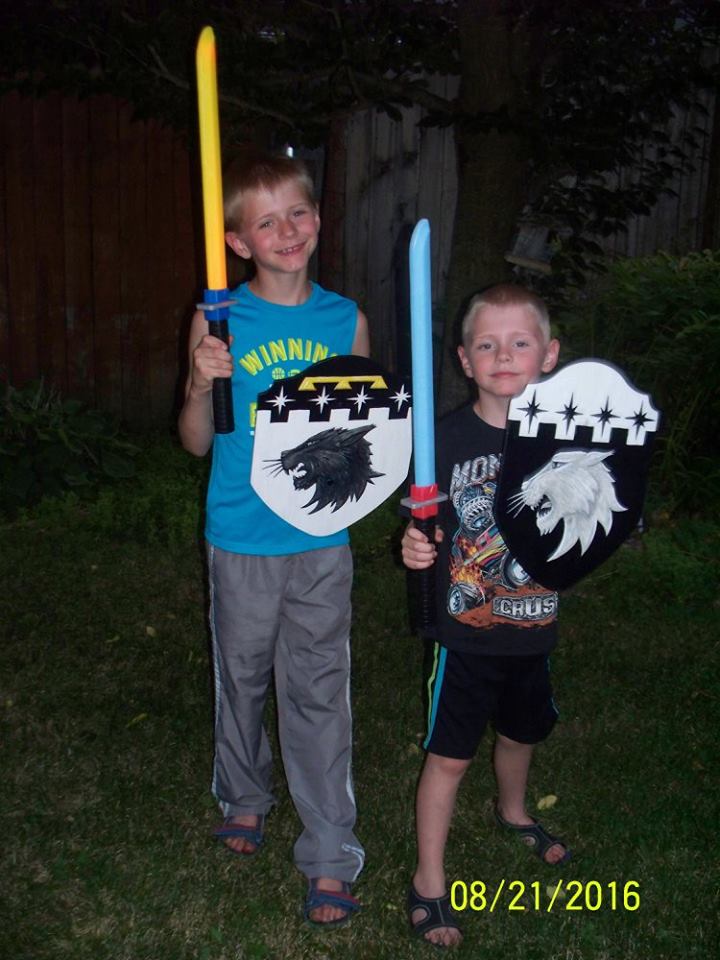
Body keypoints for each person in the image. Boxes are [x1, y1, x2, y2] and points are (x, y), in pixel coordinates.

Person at [178, 150, 369, 927]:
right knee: (243, 677)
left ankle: (330, 851)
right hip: (240, 539)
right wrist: (197, 382)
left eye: (298, 212)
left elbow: (364, 435)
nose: (287, 231)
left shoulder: (345, 318)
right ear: (239, 242)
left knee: (320, 690)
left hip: (322, 542)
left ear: (317, 220)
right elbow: (195, 442)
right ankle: (245, 792)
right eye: (266, 221)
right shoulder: (220, 317)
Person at [401, 284, 565, 947]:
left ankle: (515, 810)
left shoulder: (567, 439)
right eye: (487, 344)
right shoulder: (440, 439)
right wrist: (412, 547)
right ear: (465, 360)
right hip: (463, 635)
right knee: (448, 757)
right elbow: (422, 526)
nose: (504, 354)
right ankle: (429, 881)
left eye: (520, 342)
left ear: (548, 355)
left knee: (522, 735)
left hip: (535, 626)